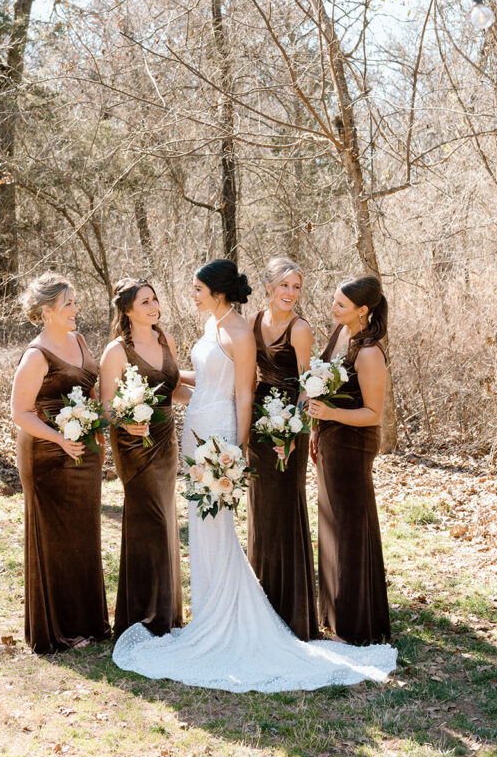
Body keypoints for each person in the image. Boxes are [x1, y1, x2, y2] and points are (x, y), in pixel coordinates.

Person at [112, 259, 396, 691]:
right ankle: (209, 612)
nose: (192, 296)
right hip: (194, 428)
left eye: (198, 290)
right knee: (201, 525)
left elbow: (245, 391)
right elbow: (203, 380)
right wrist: (153, 391)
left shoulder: (241, 332)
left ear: (218, 293)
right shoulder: (212, 326)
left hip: (221, 435)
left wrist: (238, 446)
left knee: (216, 525)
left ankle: (226, 617)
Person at [11, 273, 111, 653]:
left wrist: (100, 423)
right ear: (46, 310)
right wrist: (59, 438)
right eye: (68, 303)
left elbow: (94, 388)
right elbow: (20, 412)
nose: (75, 309)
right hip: (48, 453)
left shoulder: (79, 341)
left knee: (83, 535)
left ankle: (88, 621)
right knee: (55, 539)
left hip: (85, 450)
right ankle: (59, 629)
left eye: (74, 302)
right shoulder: (36, 355)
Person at [100, 278, 188, 639]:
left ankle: (166, 613)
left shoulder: (164, 339)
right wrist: (125, 422)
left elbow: (175, 387)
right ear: (127, 310)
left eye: (154, 299)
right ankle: (144, 616)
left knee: (166, 521)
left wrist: (214, 399)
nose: (154, 307)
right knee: (148, 522)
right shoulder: (117, 352)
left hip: (167, 441)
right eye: (145, 302)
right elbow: (106, 410)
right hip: (135, 445)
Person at [308, 274, 391, 646]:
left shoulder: (370, 351)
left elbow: (373, 413)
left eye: (340, 304)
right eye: (334, 301)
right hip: (329, 440)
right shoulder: (340, 334)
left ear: (363, 310)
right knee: (333, 527)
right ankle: (334, 612)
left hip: (354, 445)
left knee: (350, 530)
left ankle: (357, 624)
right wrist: (315, 429)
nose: (333, 308)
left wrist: (329, 416)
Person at [247, 257, 318, 640]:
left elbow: (308, 386)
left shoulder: (300, 328)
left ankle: (292, 610)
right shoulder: (254, 323)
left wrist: (293, 432)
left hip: (290, 423)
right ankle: (262, 602)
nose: (290, 293)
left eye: (296, 287)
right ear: (269, 286)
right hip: (261, 423)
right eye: (284, 285)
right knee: (261, 508)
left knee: (286, 506)